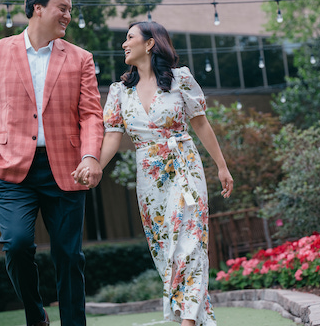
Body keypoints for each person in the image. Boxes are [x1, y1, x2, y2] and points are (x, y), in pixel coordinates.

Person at [73, 21, 233, 326]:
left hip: (184, 165)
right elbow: (112, 136)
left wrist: (222, 166)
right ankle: (199, 317)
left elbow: (201, 124)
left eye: (129, 37)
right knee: (164, 246)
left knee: (191, 238)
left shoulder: (180, 79)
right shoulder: (120, 92)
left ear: (149, 44)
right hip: (149, 175)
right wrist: (94, 164)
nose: (124, 43)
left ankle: (187, 321)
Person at [0, 0, 104, 326]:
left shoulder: (81, 59)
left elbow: (91, 115)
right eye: (63, 8)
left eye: (70, 11)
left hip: (67, 169)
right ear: (37, 8)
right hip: (11, 171)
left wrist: (90, 156)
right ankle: (35, 313)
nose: (68, 16)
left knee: (69, 256)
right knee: (15, 244)